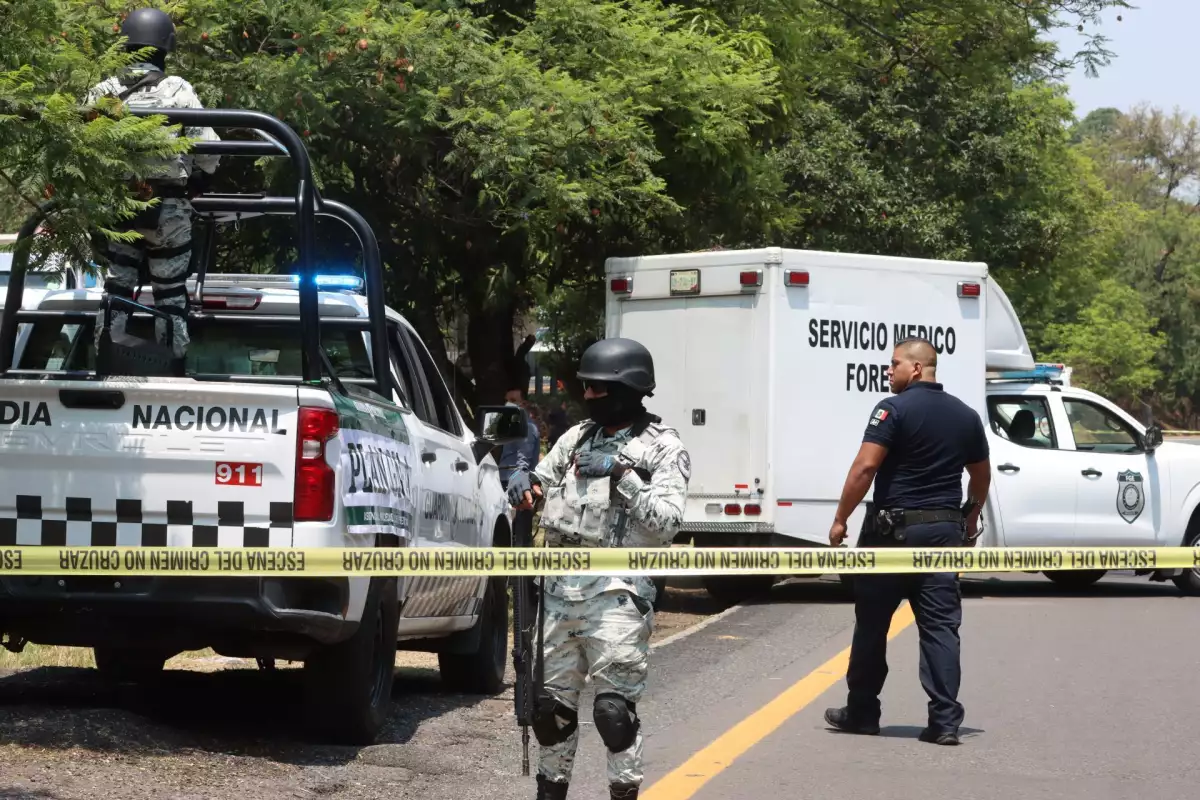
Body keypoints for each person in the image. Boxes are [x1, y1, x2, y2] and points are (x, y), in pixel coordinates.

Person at [506, 337, 690, 800]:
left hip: (618, 592)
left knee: (613, 713)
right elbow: (542, 483)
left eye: (597, 389)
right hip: (557, 591)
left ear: (628, 389)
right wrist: (524, 481)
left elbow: (667, 523)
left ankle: (623, 791)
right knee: (550, 713)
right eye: (586, 388)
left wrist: (621, 474)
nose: (588, 397)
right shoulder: (577, 437)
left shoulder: (663, 447)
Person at [824, 337, 990, 746]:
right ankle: (945, 721)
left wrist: (840, 518)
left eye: (893, 363)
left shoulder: (891, 409)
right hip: (943, 536)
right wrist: (970, 518)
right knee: (940, 629)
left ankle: (862, 713)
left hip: (891, 537)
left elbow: (865, 468)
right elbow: (981, 475)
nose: (887, 370)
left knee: (873, 625)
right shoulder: (965, 415)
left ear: (915, 368)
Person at [86, 8, 221, 361]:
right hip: (169, 211)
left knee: (116, 287)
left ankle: (105, 359)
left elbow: (82, 151)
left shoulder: (103, 91)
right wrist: (200, 180)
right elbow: (208, 149)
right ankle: (171, 366)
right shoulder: (177, 89)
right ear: (166, 46)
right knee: (171, 294)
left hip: (116, 208)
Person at [499, 383, 544, 488]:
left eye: (513, 400)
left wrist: (519, 481)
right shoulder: (510, 425)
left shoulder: (527, 427)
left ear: (523, 404)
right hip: (504, 477)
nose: (508, 404)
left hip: (513, 480)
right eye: (507, 401)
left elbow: (524, 459)